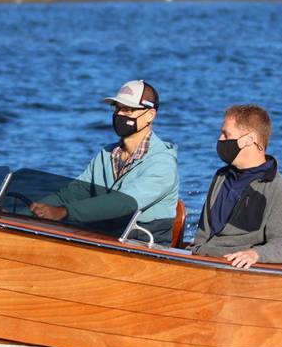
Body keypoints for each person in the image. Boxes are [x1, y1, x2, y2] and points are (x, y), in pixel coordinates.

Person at [29, 80, 180, 243]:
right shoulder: (106, 154)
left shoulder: (162, 164)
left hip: (143, 247)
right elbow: (71, 194)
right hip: (105, 238)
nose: (120, 114)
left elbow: (124, 203)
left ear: (150, 115)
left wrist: (64, 212)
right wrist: (23, 213)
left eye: (128, 110)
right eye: (117, 108)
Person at [189, 104, 282, 268]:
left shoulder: (280, 190)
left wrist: (256, 254)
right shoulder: (221, 176)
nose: (220, 140)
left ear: (249, 139)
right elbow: (203, 232)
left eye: (226, 135)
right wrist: (196, 251)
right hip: (202, 260)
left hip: (236, 268)